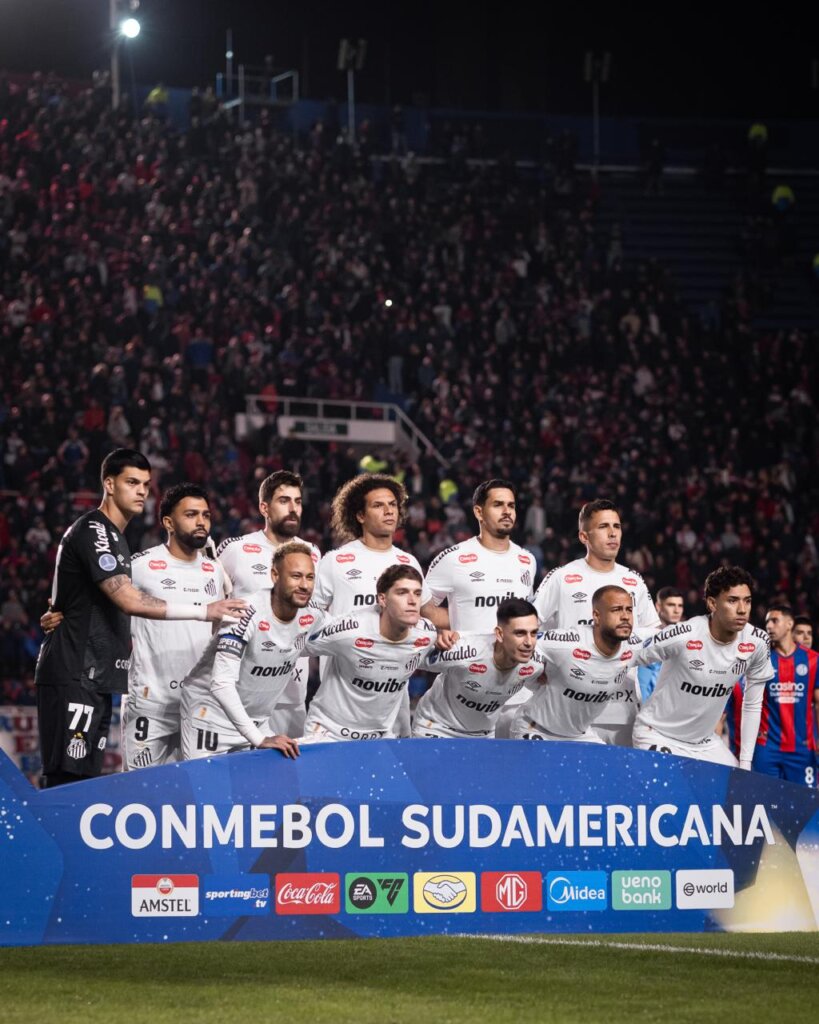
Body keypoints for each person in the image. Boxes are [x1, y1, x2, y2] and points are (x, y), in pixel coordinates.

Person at [34, 450, 245, 787]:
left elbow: (81, 590)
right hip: (79, 672)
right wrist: (205, 610)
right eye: (132, 482)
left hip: (98, 677)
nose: (141, 491)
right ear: (109, 484)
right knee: (67, 782)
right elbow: (128, 599)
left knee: (82, 782)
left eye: (146, 485)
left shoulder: (117, 539)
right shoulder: (96, 529)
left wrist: (59, 608)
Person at [533, 498, 660, 745]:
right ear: (584, 536)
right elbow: (530, 627)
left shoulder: (633, 580)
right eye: (603, 527)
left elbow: (653, 638)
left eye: (617, 526)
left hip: (623, 711)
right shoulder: (562, 577)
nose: (613, 533)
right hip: (568, 713)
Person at [312, 474, 431, 735]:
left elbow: (422, 616)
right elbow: (311, 619)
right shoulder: (336, 561)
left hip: (392, 696)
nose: (389, 511)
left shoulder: (408, 562)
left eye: (393, 504)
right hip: (342, 697)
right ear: (360, 515)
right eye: (378, 505)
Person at [181, 542, 323, 759]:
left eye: (310, 577)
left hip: (256, 722)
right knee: (206, 783)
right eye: (296, 576)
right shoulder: (245, 612)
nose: (305, 585)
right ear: (275, 575)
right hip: (211, 718)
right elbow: (221, 684)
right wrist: (259, 739)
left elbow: (348, 635)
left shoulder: (312, 617)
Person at [122, 483, 229, 769]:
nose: (201, 522)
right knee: (142, 788)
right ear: (168, 523)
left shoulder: (214, 570)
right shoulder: (141, 566)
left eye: (206, 515)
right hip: (151, 703)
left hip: (199, 705)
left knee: (198, 789)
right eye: (191, 515)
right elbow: (105, 599)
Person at [631, 566, 773, 768]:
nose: (742, 609)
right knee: (670, 787)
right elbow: (627, 656)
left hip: (705, 743)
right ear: (712, 603)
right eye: (733, 601)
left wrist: (745, 762)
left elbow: (752, 704)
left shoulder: (757, 642)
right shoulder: (683, 634)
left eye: (747, 601)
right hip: (658, 734)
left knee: (737, 784)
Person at [217, 470, 320, 736]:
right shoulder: (236, 550)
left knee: (290, 761)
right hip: (244, 693)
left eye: (298, 501)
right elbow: (214, 608)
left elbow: (312, 615)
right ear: (264, 507)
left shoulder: (312, 552)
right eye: (284, 501)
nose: (293, 508)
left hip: (292, 692)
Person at [302, 565, 437, 741]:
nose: (412, 601)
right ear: (382, 599)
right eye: (402, 593)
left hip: (380, 736)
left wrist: (448, 639)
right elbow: (294, 647)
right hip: (329, 732)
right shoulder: (350, 630)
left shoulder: (427, 634)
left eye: (417, 594)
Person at [511, 587, 647, 742]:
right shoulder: (566, 642)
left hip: (579, 735)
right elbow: (517, 643)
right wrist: (535, 671)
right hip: (535, 728)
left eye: (629, 610)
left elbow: (667, 640)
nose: (625, 616)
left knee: (608, 758)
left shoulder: (636, 644)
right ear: (596, 616)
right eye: (616, 610)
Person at [413, 598, 543, 738]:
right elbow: (411, 657)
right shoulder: (463, 652)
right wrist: (436, 637)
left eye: (533, 633)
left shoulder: (536, 664)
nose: (529, 642)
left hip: (483, 735)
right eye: (520, 633)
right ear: (499, 634)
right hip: (436, 728)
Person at [724, 604, 818, 786]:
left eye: (775, 621)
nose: (769, 626)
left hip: (801, 748)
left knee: (804, 801)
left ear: (789, 624)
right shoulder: (759, 658)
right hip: (766, 748)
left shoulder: (813, 660)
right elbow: (749, 702)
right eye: (767, 622)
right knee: (765, 799)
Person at [637, 587, 685, 703]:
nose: (677, 610)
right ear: (658, 606)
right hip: (648, 702)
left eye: (680, 606)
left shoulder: (688, 637)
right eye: (671, 605)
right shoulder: (645, 638)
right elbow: (642, 682)